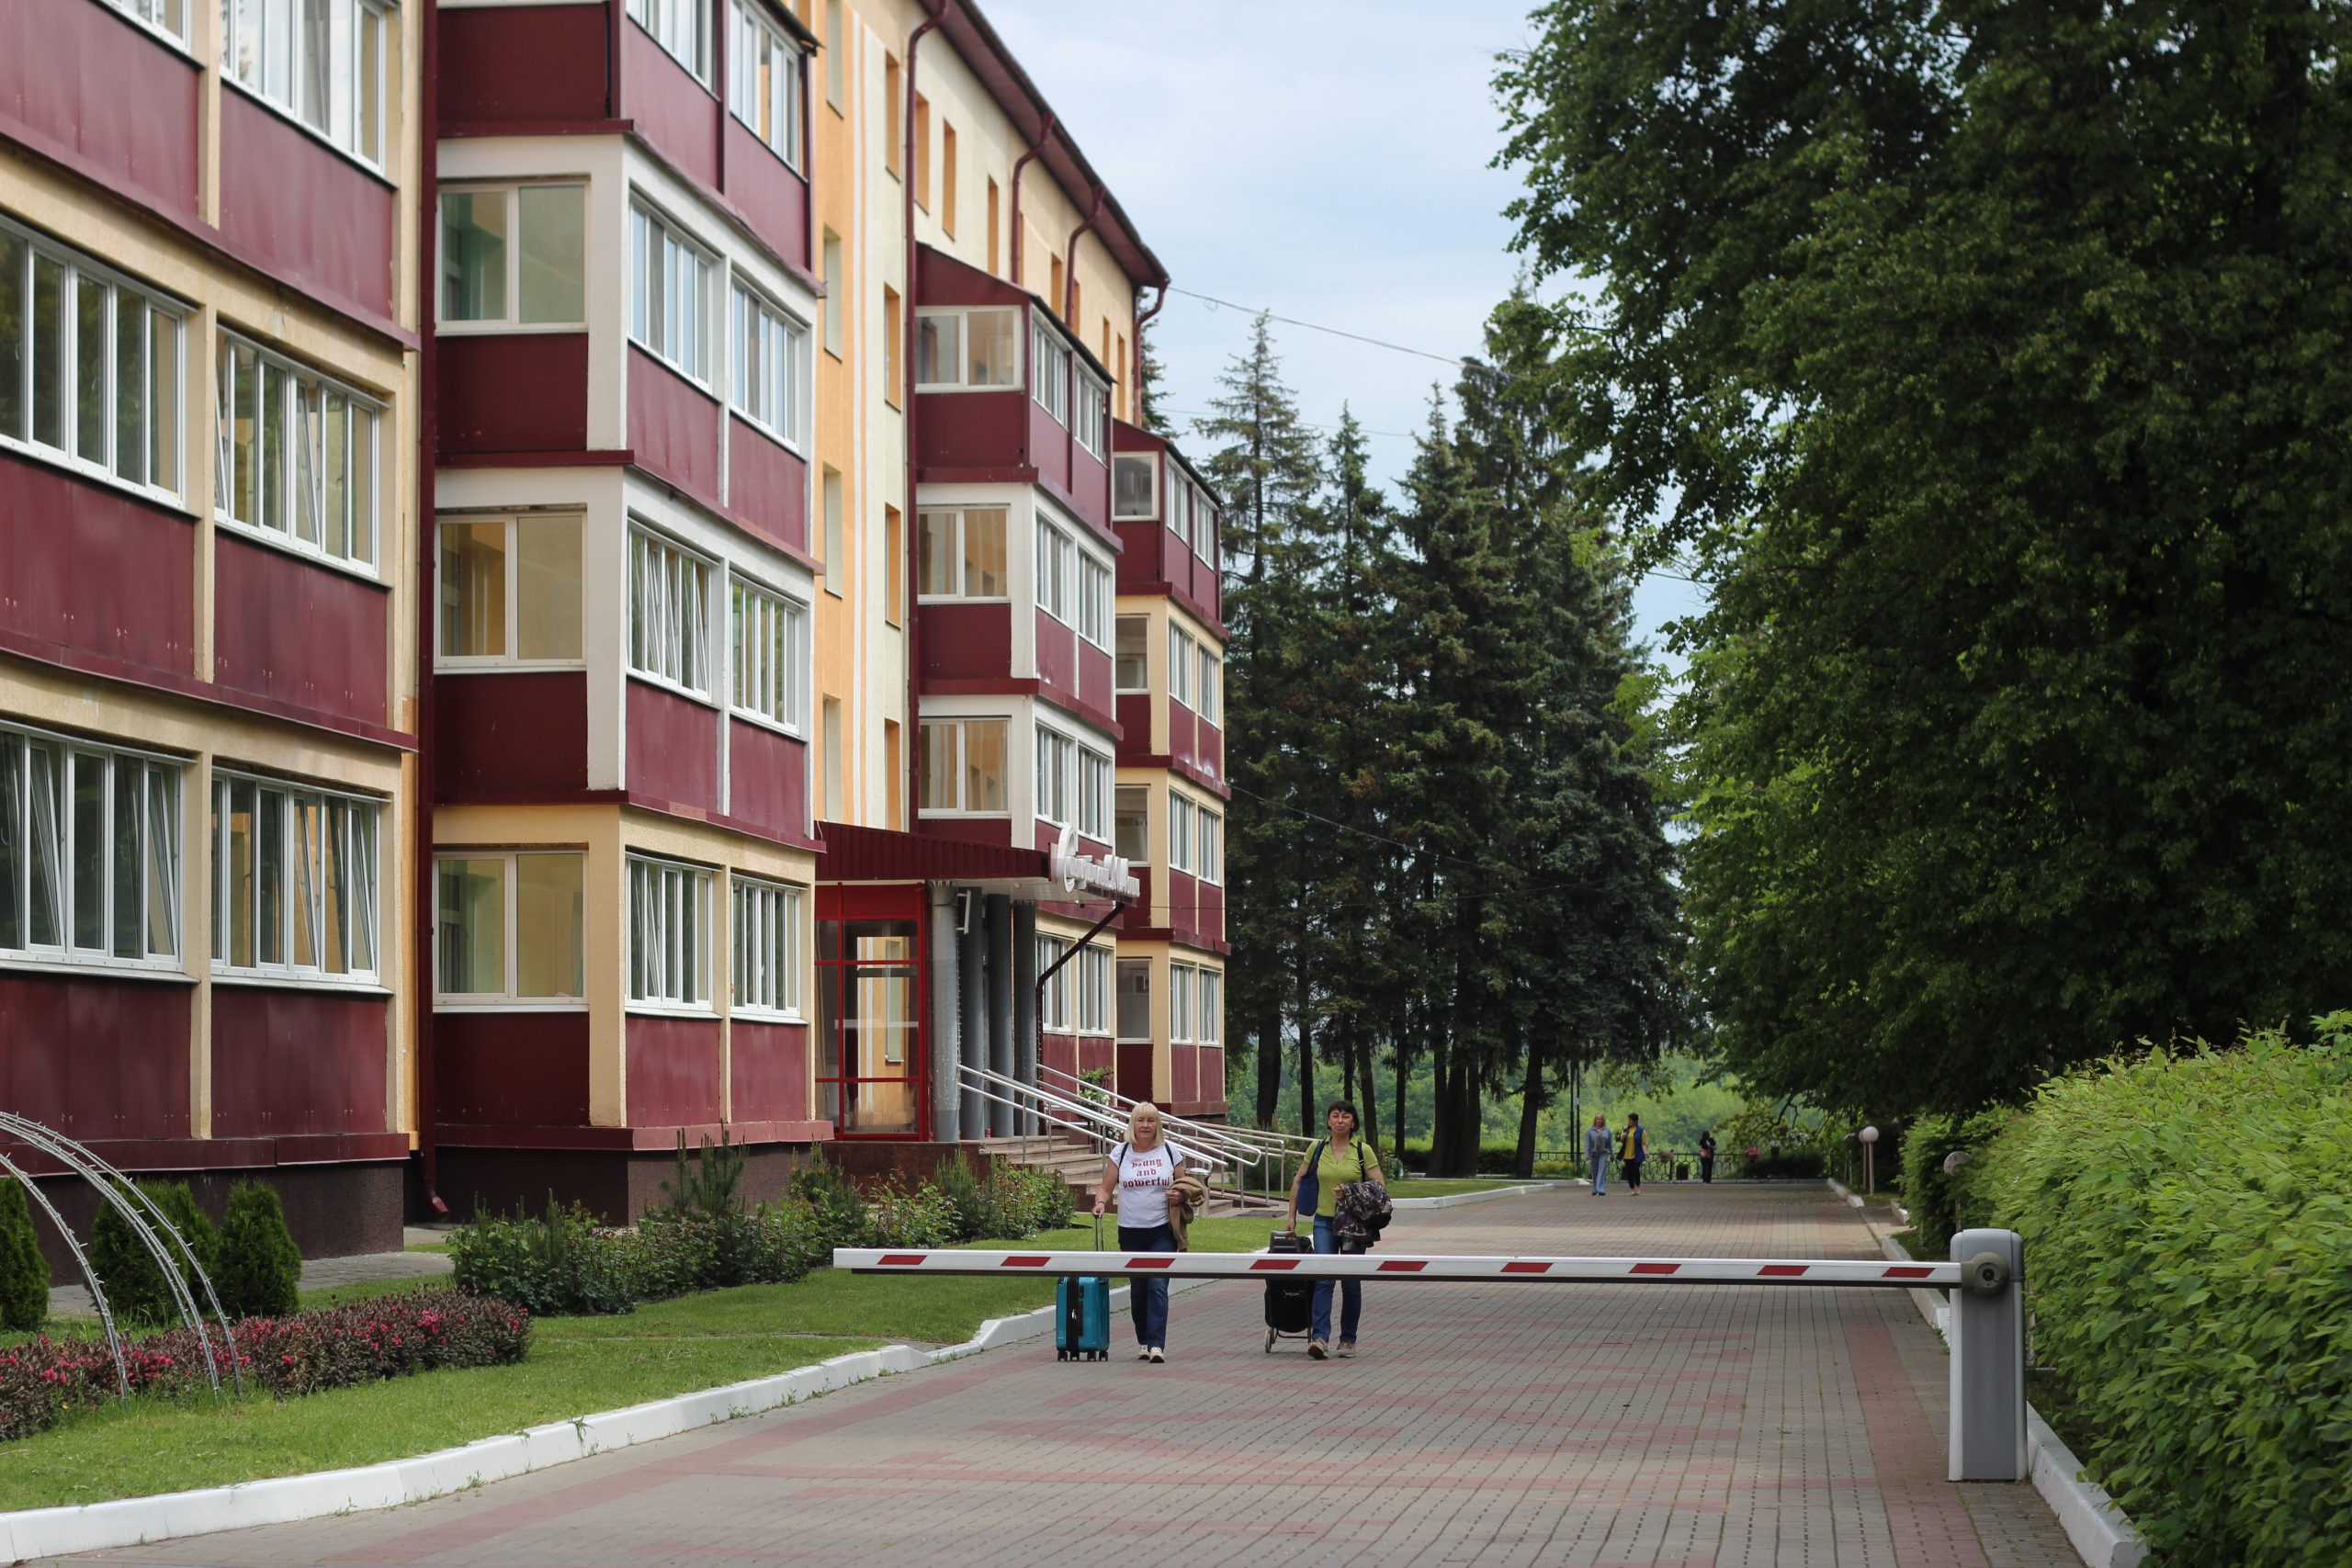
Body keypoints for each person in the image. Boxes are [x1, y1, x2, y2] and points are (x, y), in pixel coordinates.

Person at [1284, 1100, 1384, 1360]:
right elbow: (1299, 1180)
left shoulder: (1363, 1150)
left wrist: (1350, 1192)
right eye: (1335, 1116)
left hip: (1353, 1225)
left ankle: (1348, 1340)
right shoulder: (1316, 1149)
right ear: (1328, 1121)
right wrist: (1291, 1216)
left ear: (1353, 1122)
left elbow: (1379, 1186)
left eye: (1346, 1116)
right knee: (1324, 1278)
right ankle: (1319, 1337)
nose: (1340, 1120)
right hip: (1324, 1221)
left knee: (1350, 1281)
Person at [1091, 1102, 1187, 1363]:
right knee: (1139, 1288)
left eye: (1151, 1120)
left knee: (1157, 1284)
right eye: (1140, 1121)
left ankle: (1157, 1345)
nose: (1146, 1126)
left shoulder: (1169, 1151)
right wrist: (1100, 1202)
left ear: (1158, 1125)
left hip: (1162, 1230)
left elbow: (1185, 1185)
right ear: (1132, 1125)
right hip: (1131, 1231)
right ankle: (1143, 1340)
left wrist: (1180, 1194)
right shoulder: (1120, 1153)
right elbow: (1105, 1187)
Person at [1583, 1114, 1614, 1196]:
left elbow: (1610, 1144)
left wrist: (1612, 1155)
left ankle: (1601, 1189)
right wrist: (1587, 1154)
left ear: (1603, 1120)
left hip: (1603, 1154)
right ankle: (1594, 1188)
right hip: (1593, 1154)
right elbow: (1587, 1144)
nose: (1599, 1121)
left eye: (1601, 1119)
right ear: (1595, 1120)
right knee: (1595, 1172)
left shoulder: (1607, 1131)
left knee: (1602, 1170)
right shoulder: (1590, 1131)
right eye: (1598, 1119)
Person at [1622, 1112, 1647, 1194]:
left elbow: (1644, 1143)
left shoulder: (1641, 1130)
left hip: (1637, 1154)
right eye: (1628, 1120)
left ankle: (1638, 1186)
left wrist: (1646, 1153)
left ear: (1635, 1121)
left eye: (1630, 1120)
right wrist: (1623, 1136)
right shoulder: (1625, 1129)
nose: (1629, 1122)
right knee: (1629, 1172)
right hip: (1627, 1154)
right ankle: (1632, 1188)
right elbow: (1621, 1140)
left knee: (1636, 1170)